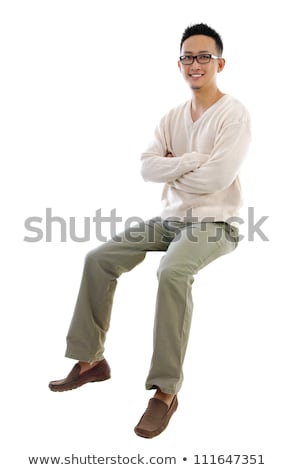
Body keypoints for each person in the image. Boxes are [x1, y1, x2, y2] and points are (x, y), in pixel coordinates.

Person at [49, 23, 251, 438]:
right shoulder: (171, 117)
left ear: (220, 63)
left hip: (216, 223)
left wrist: (174, 169)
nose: (195, 64)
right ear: (179, 64)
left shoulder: (234, 115)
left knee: (172, 271)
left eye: (204, 57)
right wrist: (190, 163)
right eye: (188, 57)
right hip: (171, 219)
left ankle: (165, 392)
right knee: (99, 258)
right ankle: (90, 361)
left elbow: (219, 177)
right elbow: (146, 167)